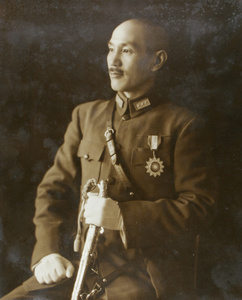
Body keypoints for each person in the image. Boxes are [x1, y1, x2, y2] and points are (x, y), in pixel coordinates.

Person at [2, 19, 217, 300]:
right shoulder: (86, 117)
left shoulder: (182, 125)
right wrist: (48, 252)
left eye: (126, 51)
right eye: (110, 49)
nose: (112, 61)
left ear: (156, 61)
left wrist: (124, 216)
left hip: (143, 276)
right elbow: (52, 191)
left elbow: (200, 208)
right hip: (82, 267)